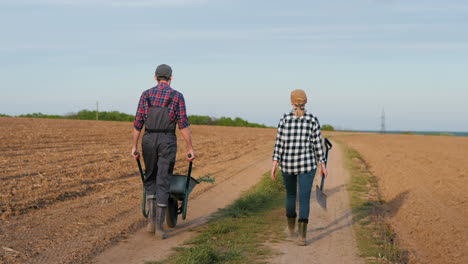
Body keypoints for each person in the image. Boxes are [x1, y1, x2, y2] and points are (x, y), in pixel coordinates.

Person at [131, 64, 195, 239]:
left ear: (155, 77)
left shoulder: (146, 95)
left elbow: (138, 122)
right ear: (171, 78)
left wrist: (134, 146)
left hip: (148, 139)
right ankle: (159, 227)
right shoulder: (177, 96)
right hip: (167, 140)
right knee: (163, 179)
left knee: (150, 176)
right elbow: (183, 124)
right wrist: (190, 148)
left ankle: (151, 222)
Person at [271, 89, 328, 246]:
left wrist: (274, 164)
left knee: (290, 195)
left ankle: (291, 230)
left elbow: (279, 143)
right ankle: (302, 237)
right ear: (306, 101)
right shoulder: (312, 119)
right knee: (304, 199)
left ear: (291, 102)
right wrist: (323, 164)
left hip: (288, 165)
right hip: (307, 165)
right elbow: (317, 145)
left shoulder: (284, 119)